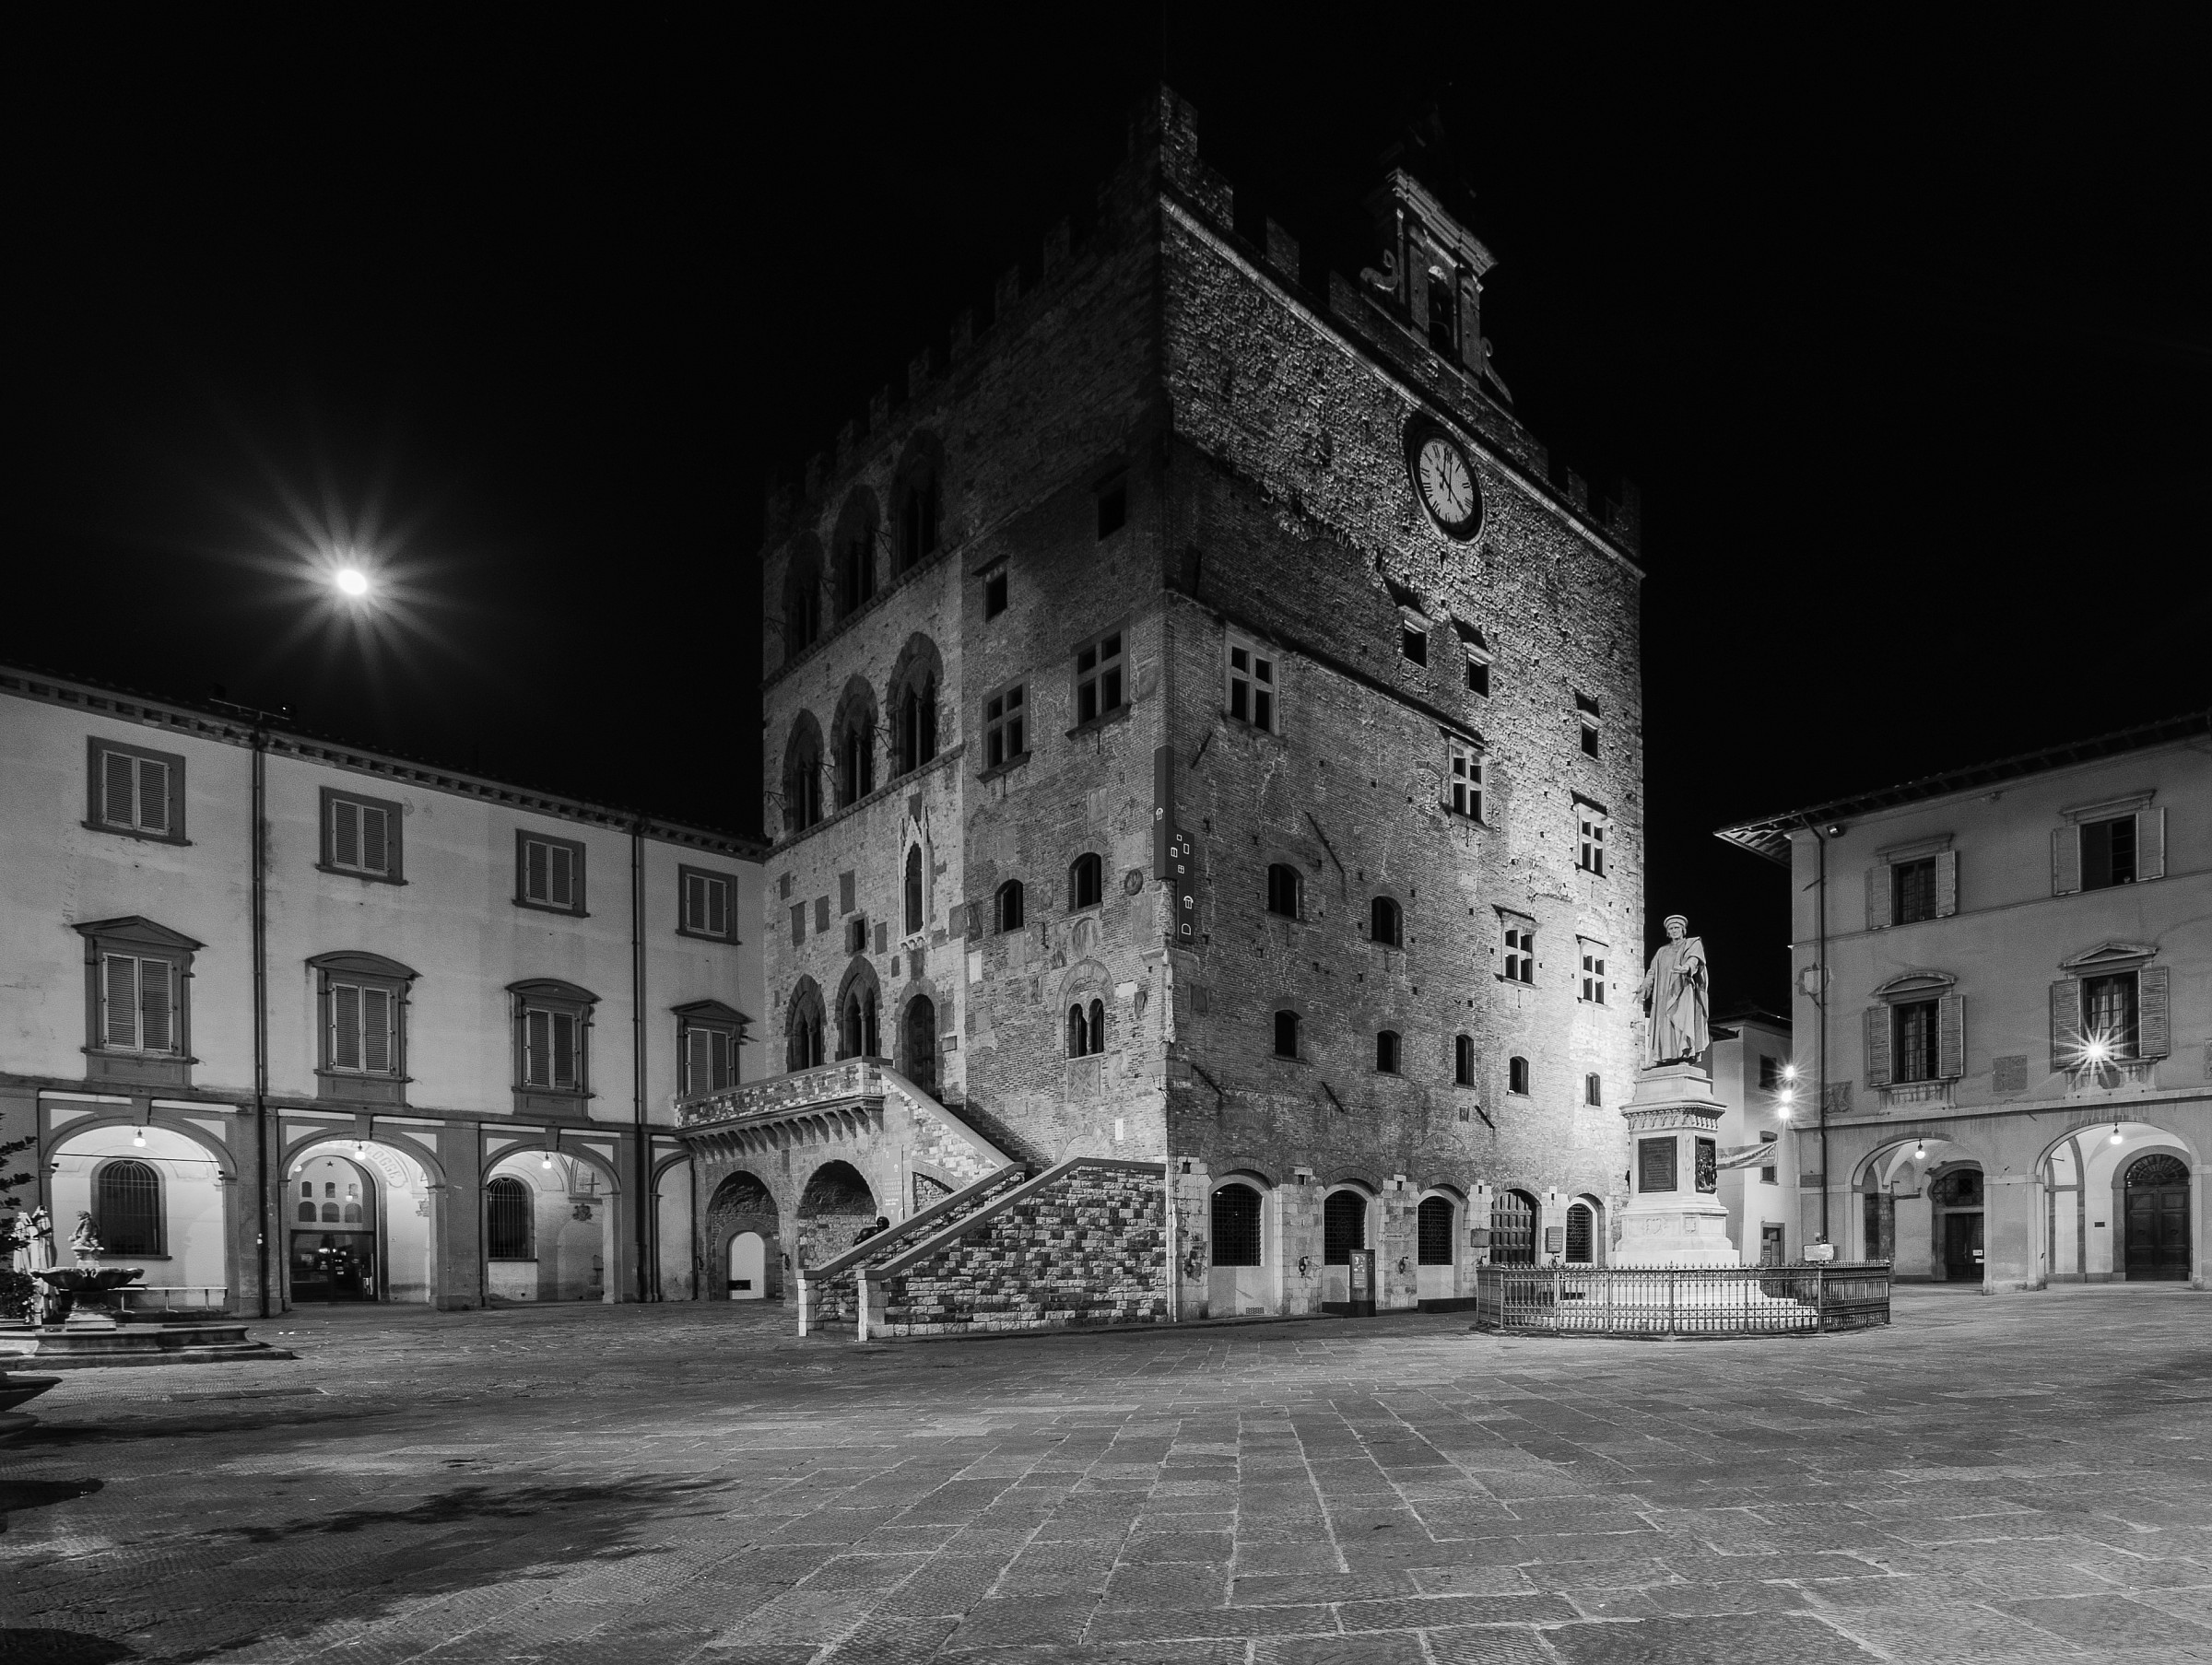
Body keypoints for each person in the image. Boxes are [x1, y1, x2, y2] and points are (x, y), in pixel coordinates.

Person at [1638, 914, 1711, 1068]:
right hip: (1664, 993)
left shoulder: (1692, 943)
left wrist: (1686, 967)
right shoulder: (1661, 951)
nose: (1674, 931)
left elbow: (1694, 959)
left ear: (1683, 930)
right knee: (1662, 1024)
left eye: (1677, 928)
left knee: (1681, 1022)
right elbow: (1652, 971)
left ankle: (1684, 1054)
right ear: (1668, 932)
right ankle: (1658, 1057)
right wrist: (1645, 986)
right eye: (1671, 929)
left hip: (1683, 990)